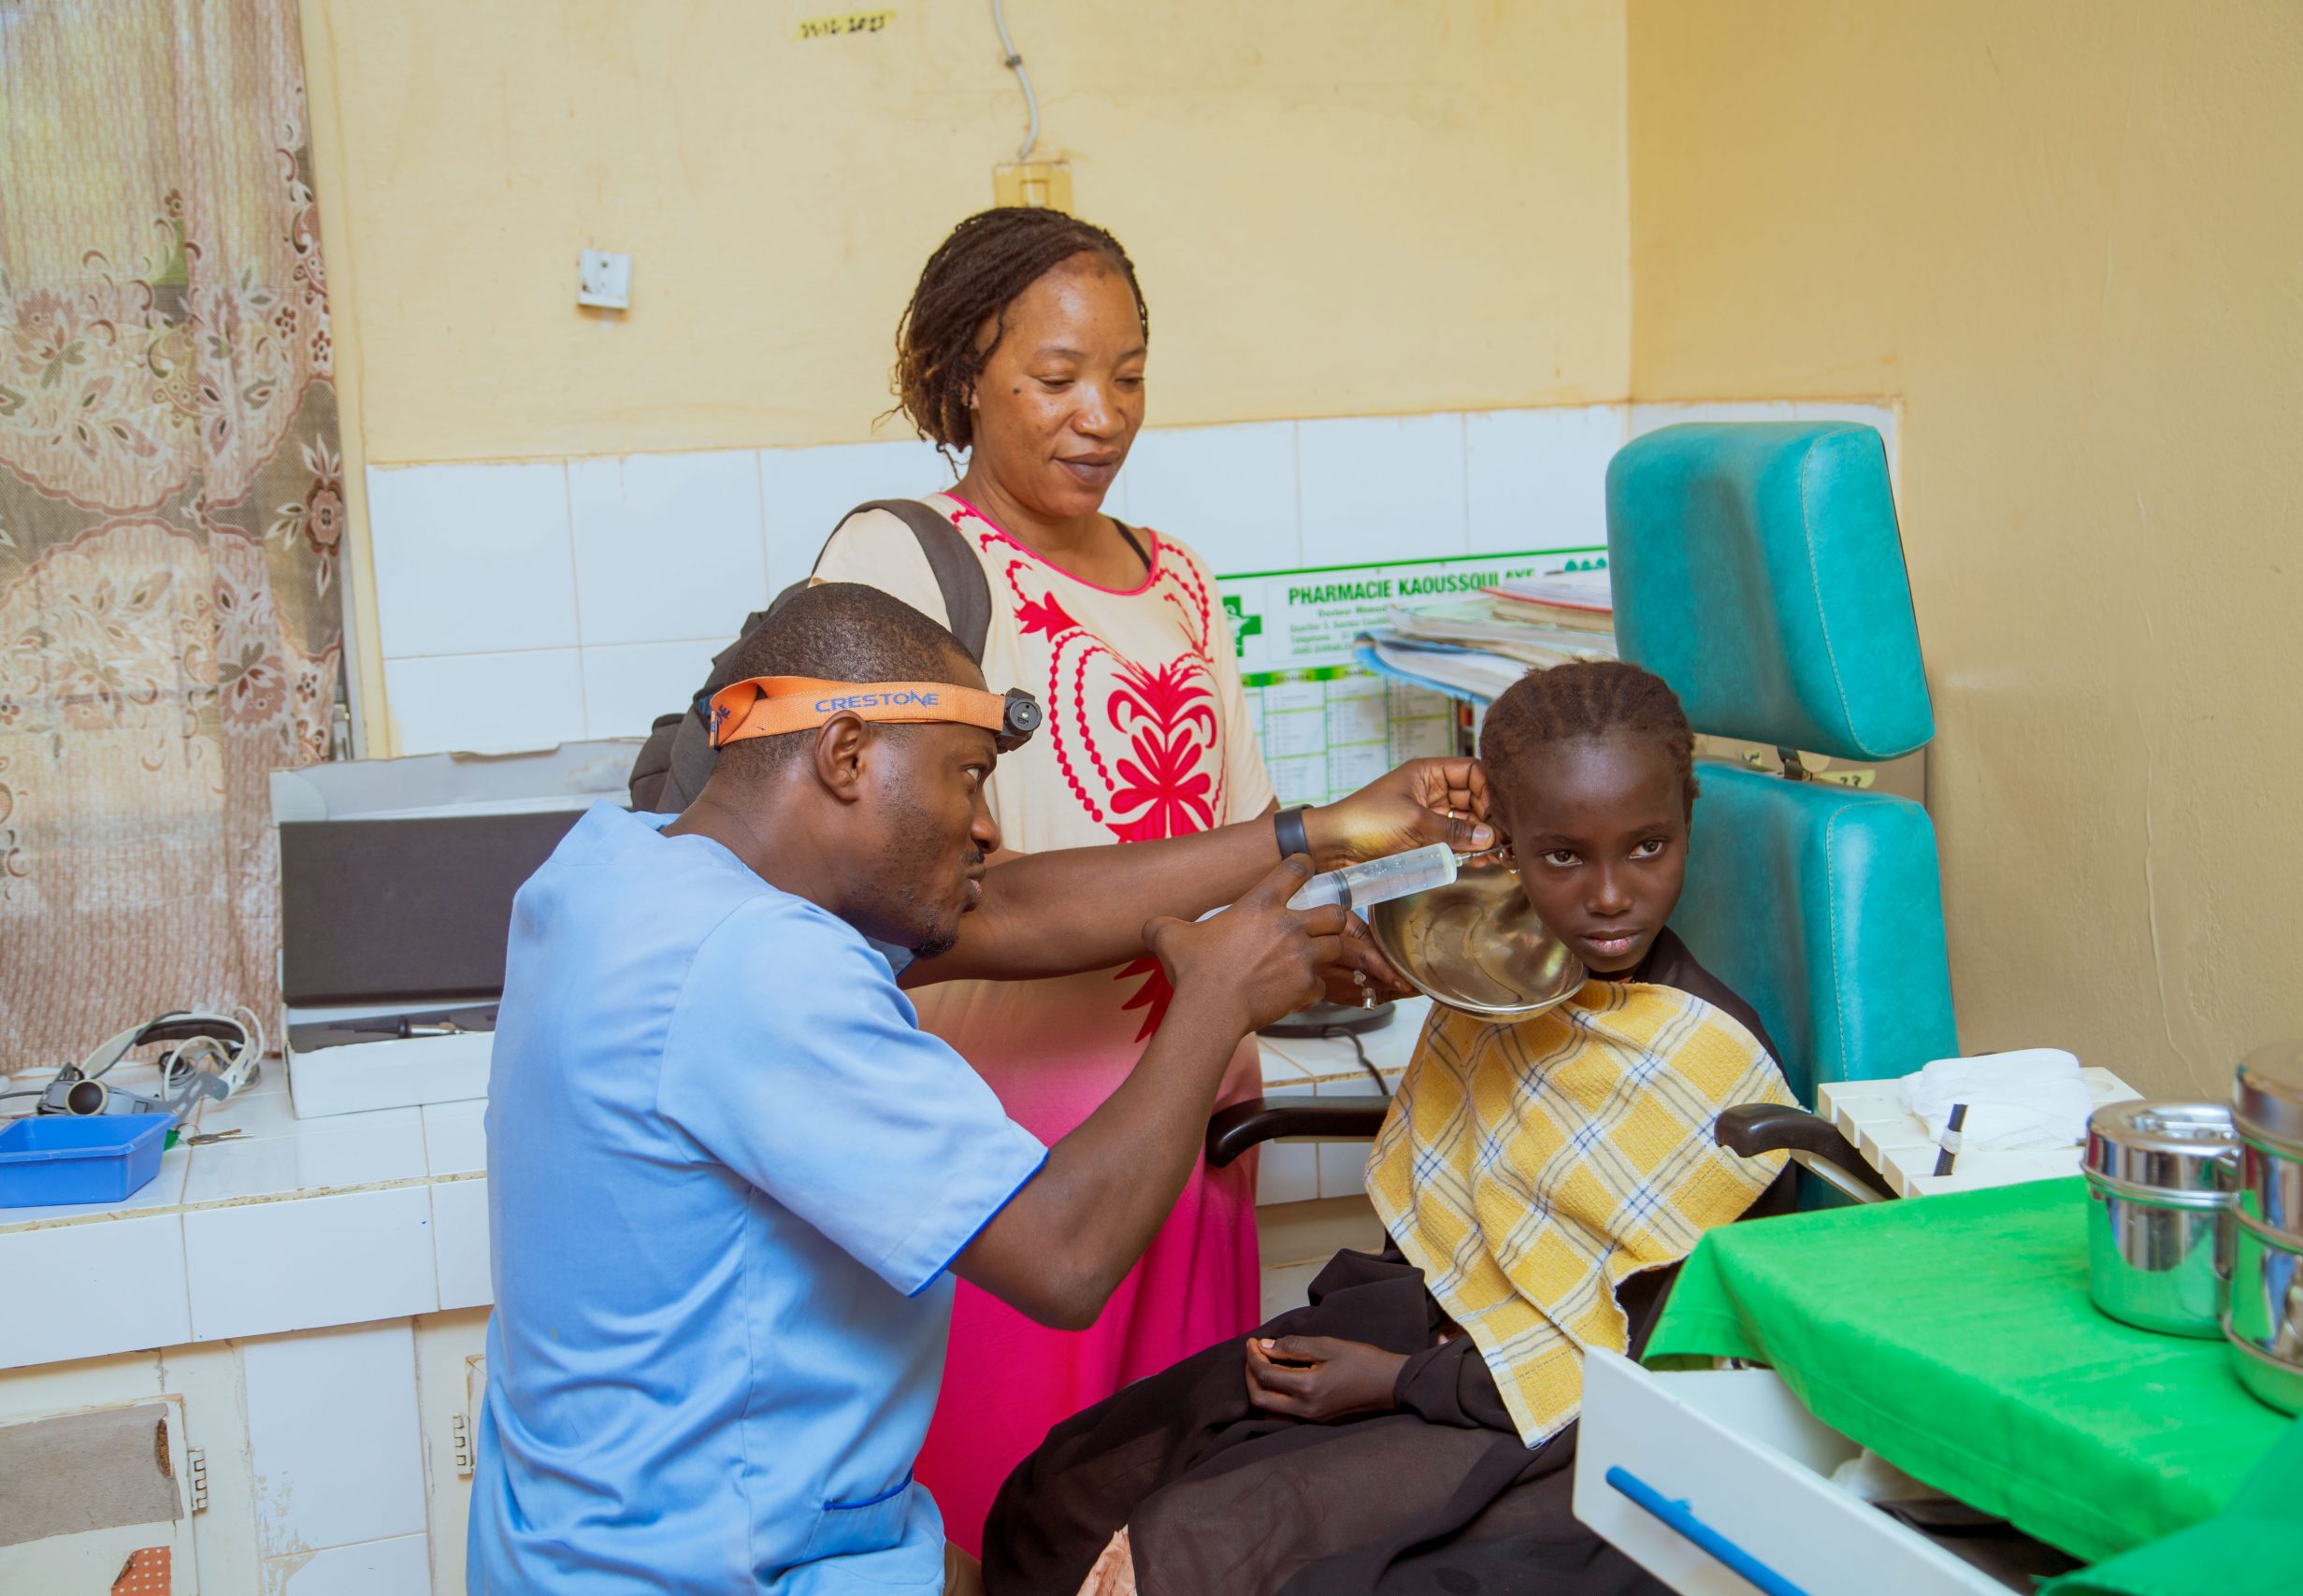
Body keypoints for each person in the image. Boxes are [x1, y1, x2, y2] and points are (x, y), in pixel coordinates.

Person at [468, 582, 1488, 1595]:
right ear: (847, 755)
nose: (988, 829)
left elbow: (1008, 912)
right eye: (968, 777)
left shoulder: (612, 873)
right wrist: (1214, 999)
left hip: (579, 1545)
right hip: (716, 1569)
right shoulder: (759, 966)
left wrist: (1319, 831)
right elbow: (1064, 1255)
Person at [980, 660, 1804, 1596]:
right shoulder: (1506, 984)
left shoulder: (1709, 1074)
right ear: (1504, 845)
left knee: (1192, 1545)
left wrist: (1394, 1382)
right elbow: (1468, 1222)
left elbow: (1611, 1362)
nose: (1611, 896)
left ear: (1688, 821)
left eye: (1647, 847)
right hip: (1437, 1328)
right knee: (1073, 1480)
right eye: (1562, 857)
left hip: (1563, 1417)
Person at [806, 207, 1373, 1546]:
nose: (1101, 416)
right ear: (965, 375)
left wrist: (1326, 945)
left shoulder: (1179, 580)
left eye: (1127, 376)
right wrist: (1282, 869)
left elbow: (1246, 844)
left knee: (1166, 1515)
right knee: (1010, 1510)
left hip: (1200, 1115)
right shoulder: (903, 561)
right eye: (1056, 378)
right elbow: (905, 900)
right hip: (1011, 1152)